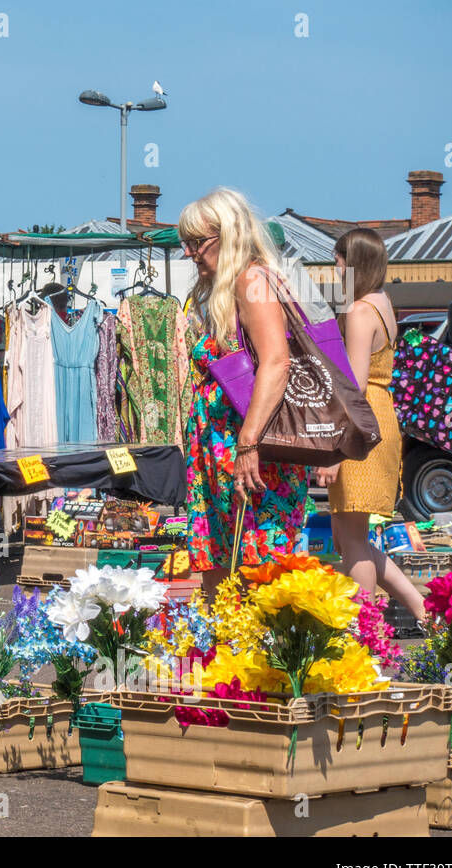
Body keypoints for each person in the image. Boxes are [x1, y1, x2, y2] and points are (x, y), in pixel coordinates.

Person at [180, 188, 310, 594]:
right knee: (226, 578)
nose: (189, 253)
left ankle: (253, 657)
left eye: (197, 243)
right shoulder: (229, 289)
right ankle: (223, 655)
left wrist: (248, 444)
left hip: (252, 457)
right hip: (223, 457)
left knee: (258, 579)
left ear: (229, 235)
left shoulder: (252, 280)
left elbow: (277, 361)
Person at [316, 230, 424, 618]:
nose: (336, 269)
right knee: (352, 537)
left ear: (354, 262)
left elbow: (354, 386)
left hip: (361, 424)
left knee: (352, 539)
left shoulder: (361, 310)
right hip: (379, 416)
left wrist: (335, 451)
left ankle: (362, 631)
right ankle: (422, 610)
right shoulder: (383, 303)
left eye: (339, 262)